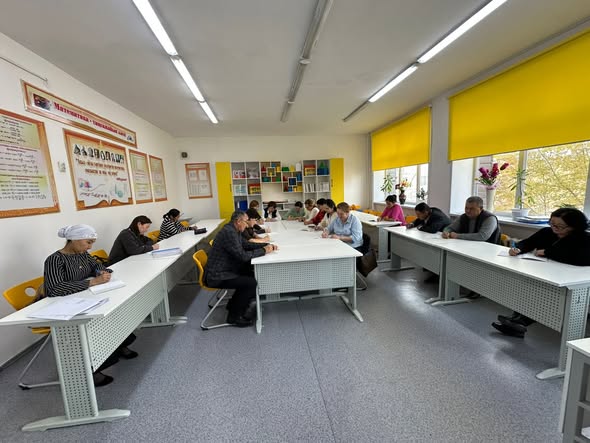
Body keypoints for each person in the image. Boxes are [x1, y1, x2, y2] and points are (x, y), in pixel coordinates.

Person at [43, 224, 138, 387]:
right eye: (88, 242)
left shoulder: (82, 254)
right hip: (66, 306)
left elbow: (97, 265)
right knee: (96, 324)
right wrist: (91, 282)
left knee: (113, 313)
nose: (90, 247)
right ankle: (91, 370)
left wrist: (101, 272)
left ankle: (119, 345)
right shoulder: (55, 259)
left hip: (85, 298)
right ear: (74, 240)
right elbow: (54, 289)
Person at [491, 208, 590, 338]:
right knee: (526, 286)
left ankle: (520, 322)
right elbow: (527, 243)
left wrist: (547, 252)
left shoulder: (584, 238)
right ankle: (516, 320)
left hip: (572, 279)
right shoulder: (547, 232)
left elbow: (582, 259)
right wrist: (517, 249)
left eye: (560, 227)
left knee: (544, 294)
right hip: (547, 273)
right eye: (552, 224)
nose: (555, 229)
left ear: (574, 226)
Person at [204, 211, 277, 327]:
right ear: (238, 221)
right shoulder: (229, 233)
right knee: (251, 283)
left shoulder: (234, 230)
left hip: (225, 268)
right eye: (246, 222)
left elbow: (246, 245)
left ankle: (234, 305)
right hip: (217, 275)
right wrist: (264, 250)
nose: (247, 225)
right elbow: (242, 256)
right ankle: (234, 317)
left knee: (250, 273)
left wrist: (265, 245)